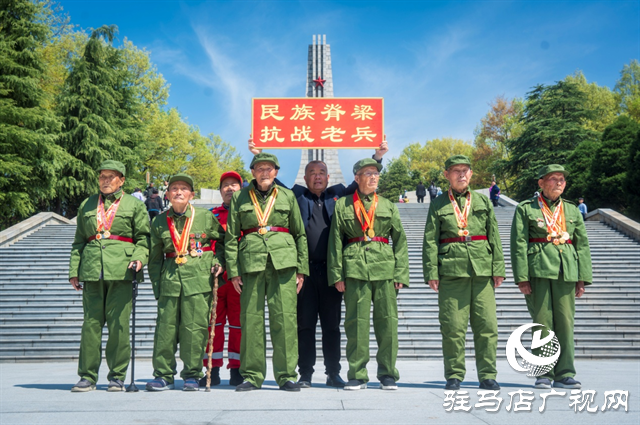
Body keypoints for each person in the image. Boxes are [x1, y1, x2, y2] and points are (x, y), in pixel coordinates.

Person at [248, 138, 388, 389]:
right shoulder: (296, 195)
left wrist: (377, 157)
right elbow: (270, 179)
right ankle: (305, 374)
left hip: (333, 272)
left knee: (332, 326)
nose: (317, 177)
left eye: (321, 172)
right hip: (303, 271)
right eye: (312, 173)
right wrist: (260, 154)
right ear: (305, 177)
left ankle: (333, 373)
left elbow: (364, 181)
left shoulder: (339, 195)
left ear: (328, 175)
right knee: (304, 325)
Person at [225, 153, 308, 392]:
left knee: (285, 319)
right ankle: (252, 375)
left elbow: (300, 234)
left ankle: (286, 375)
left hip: (283, 263)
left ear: (276, 172)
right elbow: (231, 237)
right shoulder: (240, 197)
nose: (264, 172)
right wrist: (233, 271)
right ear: (252, 172)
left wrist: (301, 269)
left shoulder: (288, 196)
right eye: (259, 168)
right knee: (251, 320)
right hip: (251, 264)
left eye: (269, 168)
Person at [422, 155, 505, 391]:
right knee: (452, 327)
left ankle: (488, 375)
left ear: (471, 174)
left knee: (487, 326)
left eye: (465, 170)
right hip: (451, 270)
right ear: (447, 175)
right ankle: (454, 375)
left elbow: (494, 236)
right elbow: (430, 240)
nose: (461, 174)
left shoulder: (483, 201)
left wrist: (498, 268)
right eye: (455, 171)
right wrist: (431, 271)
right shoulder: (438, 203)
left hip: (482, 269)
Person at [328, 158, 409, 391]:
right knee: (356, 323)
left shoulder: (388, 205)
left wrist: (400, 273)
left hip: (384, 268)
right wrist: (337, 275)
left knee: (388, 323)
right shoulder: (343, 205)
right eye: (367, 173)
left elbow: (400, 240)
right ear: (356, 178)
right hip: (354, 268)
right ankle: (357, 374)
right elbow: (335, 242)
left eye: (376, 173)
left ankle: (388, 374)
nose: (373, 177)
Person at [69, 160, 150, 392]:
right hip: (92, 270)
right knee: (91, 325)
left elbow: (144, 239)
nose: (105, 180)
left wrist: (139, 258)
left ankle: (117, 376)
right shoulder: (86, 204)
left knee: (119, 326)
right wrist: (74, 271)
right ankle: (87, 376)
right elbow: (78, 242)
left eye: (111, 177)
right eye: (102, 176)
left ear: (121, 180)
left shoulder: (134, 205)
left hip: (122, 270)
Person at [510, 164, 592, 390]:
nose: (559, 183)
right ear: (541, 182)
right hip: (538, 271)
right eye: (554, 179)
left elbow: (582, 245)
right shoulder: (526, 208)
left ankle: (565, 373)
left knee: (566, 322)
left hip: (566, 271)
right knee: (543, 323)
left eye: (562, 180)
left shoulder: (572, 210)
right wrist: (522, 277)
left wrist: (582, 277)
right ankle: (544, 373)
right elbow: (518, 244)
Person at [146, 173, 226, 391]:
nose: (178, 192)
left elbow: (221, 243)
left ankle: (192, 375)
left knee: (194, 328)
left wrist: (219, 262)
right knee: (165, 329)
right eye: (174, 189)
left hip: (199, 280)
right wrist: (158, 287)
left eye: (183, 189)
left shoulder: (205, 217)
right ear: (168, 194)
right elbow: (154, 259)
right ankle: (163, 375)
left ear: (192, 194)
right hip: (170, 279)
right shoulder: (159, 221)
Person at [199, 171, 244, 388]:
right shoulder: (210, 215)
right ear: (220, 191)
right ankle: (212, 369)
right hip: (215, 279)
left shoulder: (248, 214)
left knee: (238, 326)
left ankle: (237, 370)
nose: (229, 188)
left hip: (239, 280)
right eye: (225, 185)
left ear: (241, 189)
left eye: (234, 185)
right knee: (212, 325)